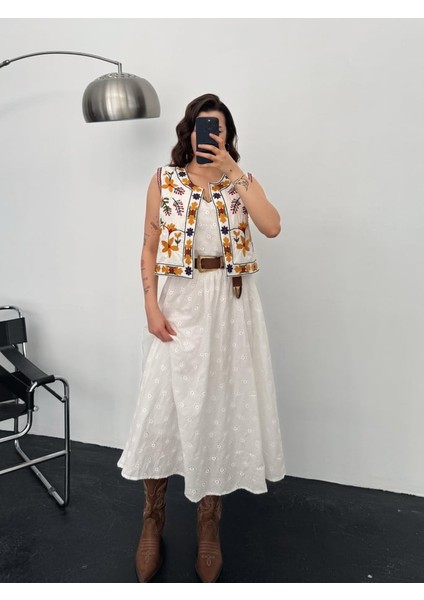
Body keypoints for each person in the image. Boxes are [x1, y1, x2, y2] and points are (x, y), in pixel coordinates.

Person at [117, 93, 286, 583]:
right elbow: (149, 246)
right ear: (188, 132)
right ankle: (152, 519)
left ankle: (208, 525)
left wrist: (232, 169)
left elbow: (272, 226)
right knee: (162, 409)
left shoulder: (241, 181)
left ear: (228, 135)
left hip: (230, 308)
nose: (208, 134)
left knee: (216, 410)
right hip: (178, 305)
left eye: (218, 128)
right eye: (200, 126)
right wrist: (150, 306)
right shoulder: (164, 180)